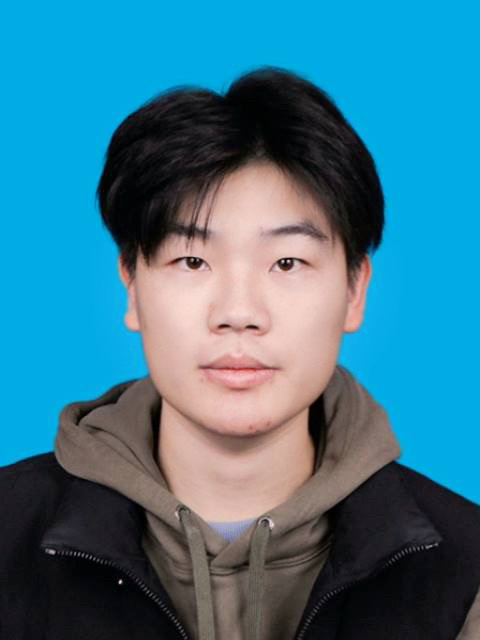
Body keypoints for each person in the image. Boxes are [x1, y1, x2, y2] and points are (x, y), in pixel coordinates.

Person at [1, 67, 478, 640]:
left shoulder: (464, 576)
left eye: (287, 263)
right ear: (131, 285)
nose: (239, 311)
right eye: (192, 261)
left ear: (355, 290)